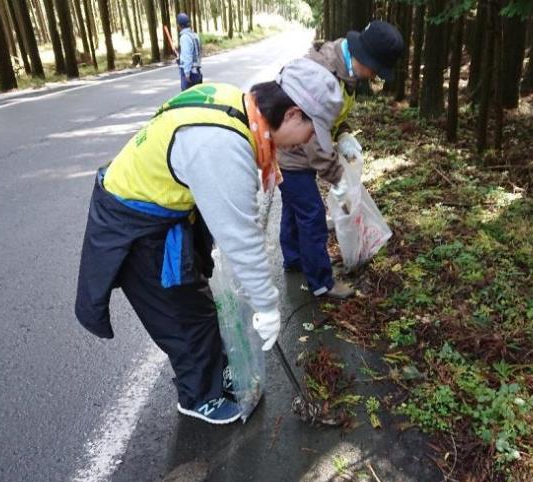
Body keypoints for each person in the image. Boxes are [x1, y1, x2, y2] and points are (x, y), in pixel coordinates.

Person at [75, 59, 343, 425]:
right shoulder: (223, 146)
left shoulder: (239, 106)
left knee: (196, 304)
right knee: (183, 318)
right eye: (312, 132)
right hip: (136, 226)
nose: (310, 142)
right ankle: (198, 398)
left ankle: (210, 380)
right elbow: (241, 238)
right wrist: (267, 306)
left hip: (163, 212)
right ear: (293, 114)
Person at [277, 21, 404, 299]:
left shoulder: (346, 71)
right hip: (293, 152)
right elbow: (312, 135)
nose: (373, 76)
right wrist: (337, 178)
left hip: (300, 150)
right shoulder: (323, 72)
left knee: (294, 207)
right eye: (374, 70)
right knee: (311, 217)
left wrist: (344, 134)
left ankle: (294, 259)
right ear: (364, 57)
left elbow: (332, 116)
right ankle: (321, 283)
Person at [176, 13, 202, 91]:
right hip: (197, 71)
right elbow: (197, 53)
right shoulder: (195, 35)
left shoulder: (184, 37)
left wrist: (187, 73)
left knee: (187, 99)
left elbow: (188, 55)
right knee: (197, 98)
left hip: (190, 73)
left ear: (179, 25)